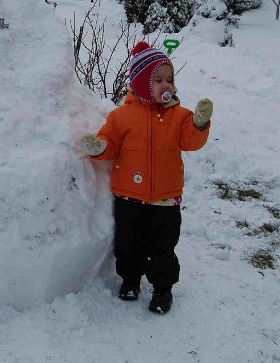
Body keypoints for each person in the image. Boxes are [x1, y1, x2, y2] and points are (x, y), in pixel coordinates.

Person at [79, 41, 213, 314]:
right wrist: (100, 148)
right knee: (129, 245)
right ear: (140, 84)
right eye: (158, 81)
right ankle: (130, 280)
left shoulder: (180, 116)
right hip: (129, 196)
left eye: (169, 80)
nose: (166, 86)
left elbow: (191, 141)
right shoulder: (121, 116)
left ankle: (163, 289)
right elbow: (111, 142)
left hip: (166, 197)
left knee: (163, 248)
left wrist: (199, 124)